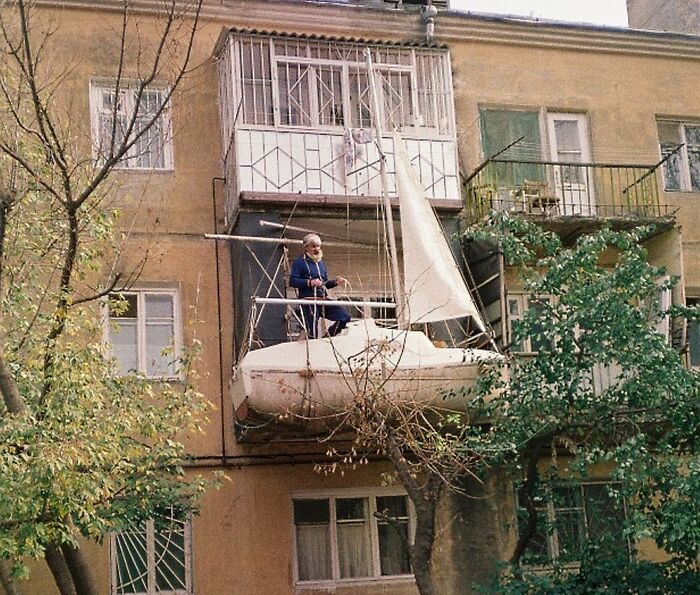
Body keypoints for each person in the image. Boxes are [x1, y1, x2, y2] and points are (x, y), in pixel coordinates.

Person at [289, 233, 351, 339]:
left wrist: (335, 282)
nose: (316, 249)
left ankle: (327, 336)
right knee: (312, 330)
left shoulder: (321, 263)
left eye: (318, 246)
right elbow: (293, 281)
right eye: (313, 246)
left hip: (322, 299)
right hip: (309, 301)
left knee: (345, 317)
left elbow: (324, 284)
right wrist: (310, 282)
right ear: (306, 247)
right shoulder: (299, 262)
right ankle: (313, 346)